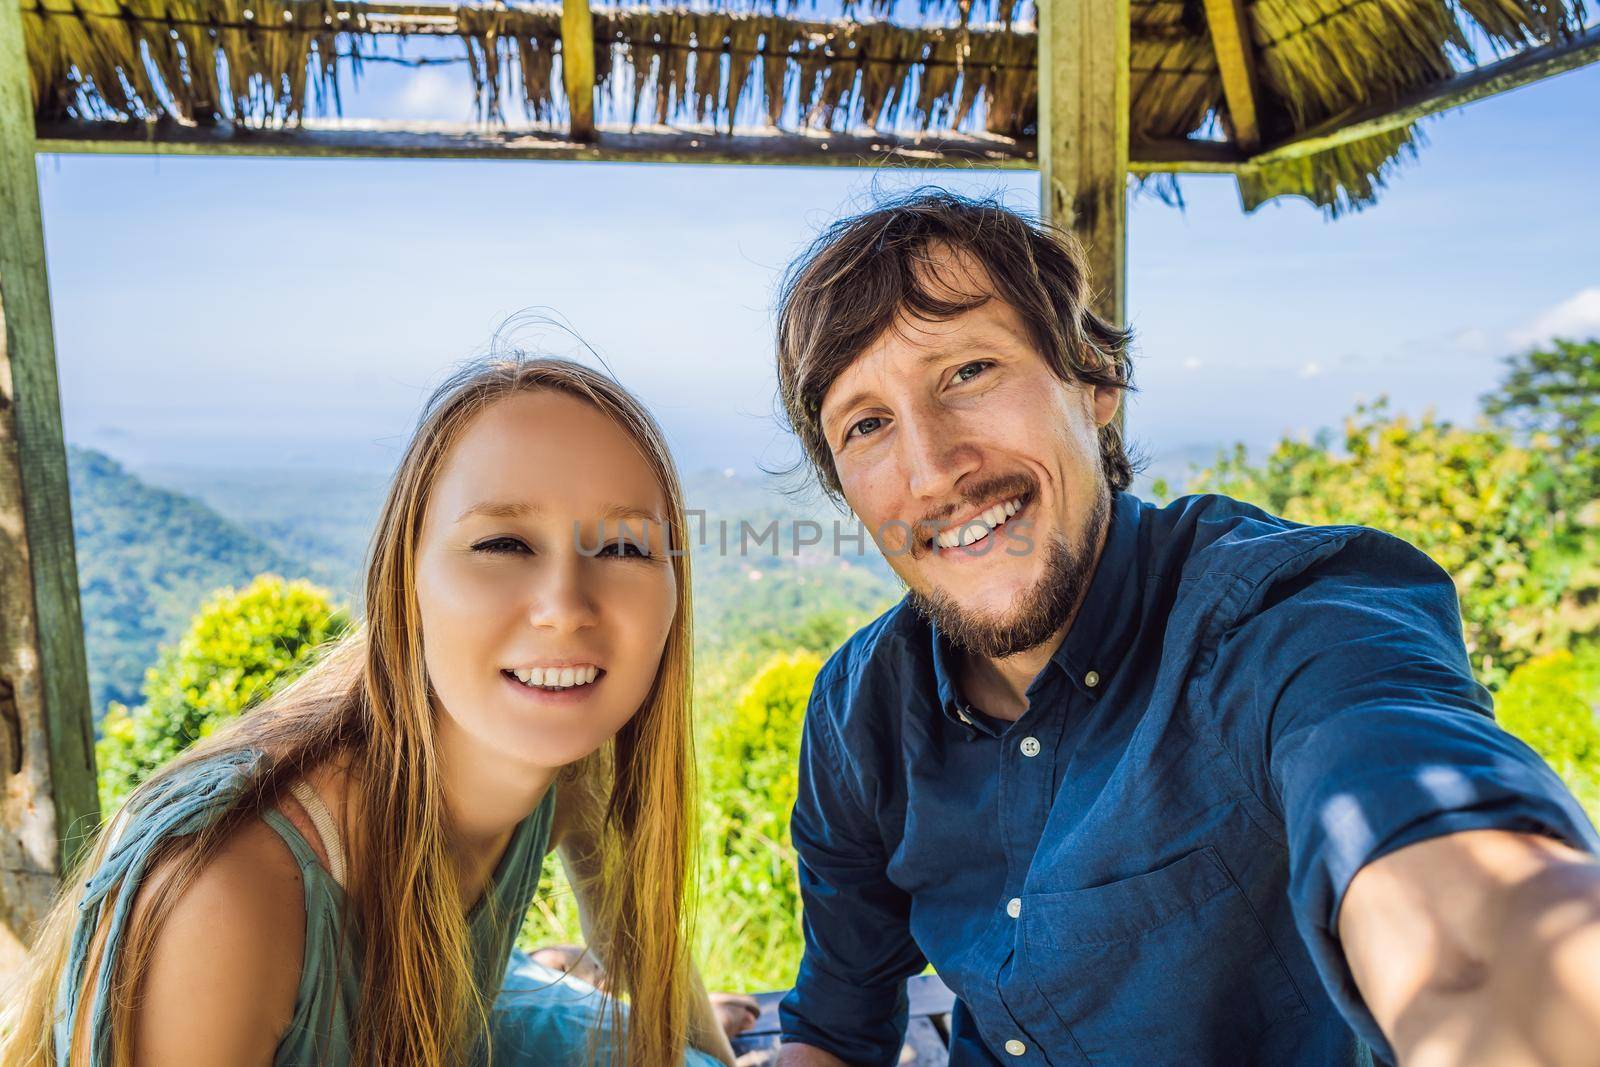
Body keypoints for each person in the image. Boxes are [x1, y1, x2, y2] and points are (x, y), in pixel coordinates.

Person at [768, 191, 1600, 1066]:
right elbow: (835, 1025)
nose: (933, 472)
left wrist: (1511, 973)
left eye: (969, 372)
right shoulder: (857, 711)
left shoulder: (1273, 613)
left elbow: (1420, 821)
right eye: (867, 424)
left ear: (1093, 377)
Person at [1, 357, 741, 1066]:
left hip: (449, 1015)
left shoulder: (576, 754)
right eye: (503, 542)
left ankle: (533, 976)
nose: (564, 608)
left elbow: (642, 942)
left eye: (622, 545)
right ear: (403, 584)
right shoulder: (229, 893)